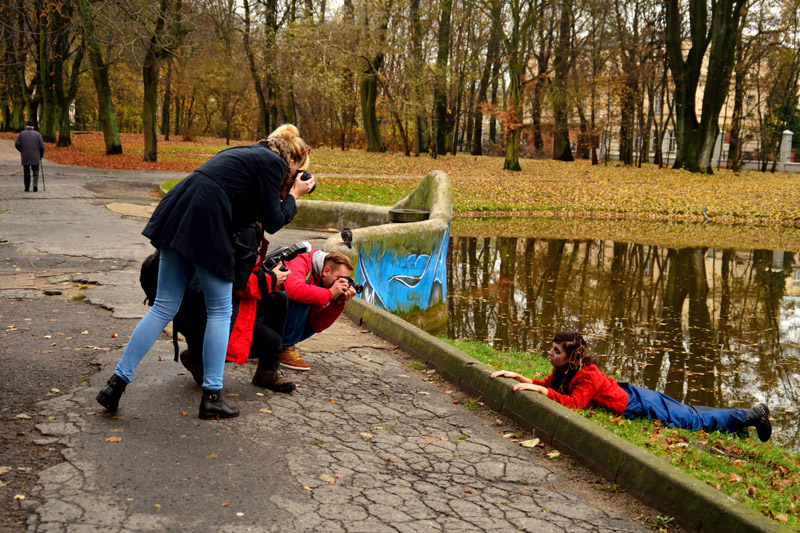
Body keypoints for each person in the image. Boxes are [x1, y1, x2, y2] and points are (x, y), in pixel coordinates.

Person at [96, 124, 315, 419]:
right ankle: (212, 395)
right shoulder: (274, 163)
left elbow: (249, 208)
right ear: (293, 163)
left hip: (180, 212)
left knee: (162, 307)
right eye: (294, 174)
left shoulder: (246, 154)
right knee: (220, 311)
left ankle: (115, 385)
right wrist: (295, 195)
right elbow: (274, 220)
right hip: (207, 222)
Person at [491, 330, 772, 442]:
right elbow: (546, 385)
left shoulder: (587, 375)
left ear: (571, 356)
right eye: (551, 349)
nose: (550, 354)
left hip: (639, 403)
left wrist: (540, 391)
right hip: (630, 395)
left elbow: (574, 403)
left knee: (691, 418)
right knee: (689, 413)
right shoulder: (564, 371)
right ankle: (738, 427)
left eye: (555, 351)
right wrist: (515, 376)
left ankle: (752, 415)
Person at [278, 251, 358, 371]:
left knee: (311, 296)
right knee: (304, 295)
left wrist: (338, 303)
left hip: (274, 323)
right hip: (259, 317)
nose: (340, 283)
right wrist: (330, 293)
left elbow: (316, 325)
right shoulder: (300, 261)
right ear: (326, 270)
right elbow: (294, 291)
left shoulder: (322, 281)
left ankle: (278, 348)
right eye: (339, 278)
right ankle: (286, 349)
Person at [15, 121, 45, 192]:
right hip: (36, 155)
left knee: (26, 171)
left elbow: (17, 144)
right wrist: (41, 155)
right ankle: (35, 184)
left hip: (25, 155)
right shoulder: (38, 134)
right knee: (36, 170)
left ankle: (27, 187)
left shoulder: (22, 134)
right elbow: (42, 146)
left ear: (26, 126)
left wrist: (22, 150)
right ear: (33, 127)